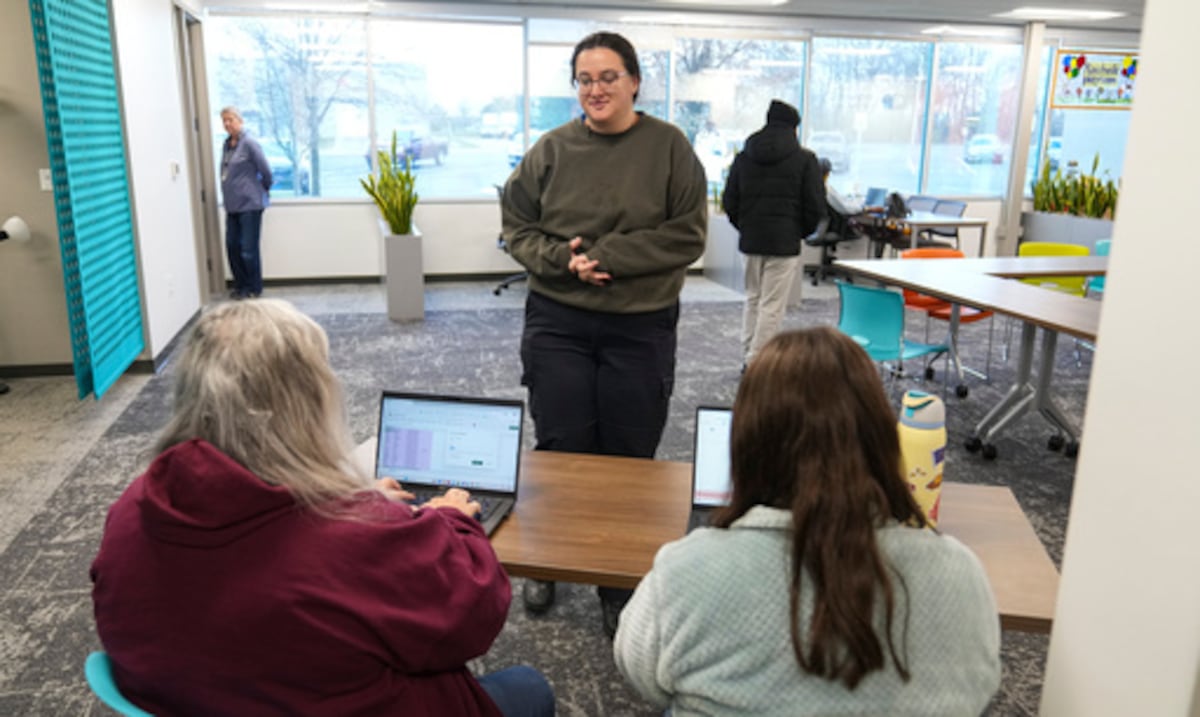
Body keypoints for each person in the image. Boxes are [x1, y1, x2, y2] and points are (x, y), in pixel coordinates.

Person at [90, 299, 555, 717]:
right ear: (305, 405)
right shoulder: (355, 542)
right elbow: (474, 620)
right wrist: (450, 517)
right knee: (529, 688)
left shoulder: (132, 510)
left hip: (194, 700)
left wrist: (351, 504)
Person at [614, 327, 1001, 716]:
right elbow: (981, 687)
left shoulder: (686, 572)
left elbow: (640, 671)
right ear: (882, 438)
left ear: (746, 444)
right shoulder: (961, 573)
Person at [501, 31, 707, 634]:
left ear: (635, 82)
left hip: (640, 324)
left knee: (628, 455)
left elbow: (688, 234)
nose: (596, 89)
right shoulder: (551, 150)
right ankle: (549, 558)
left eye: (608, 77)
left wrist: (607, 256)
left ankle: (617, 582)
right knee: (561, 447)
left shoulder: (669, 148)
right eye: (585, 79)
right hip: (558, 319)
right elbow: (516, 226)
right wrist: (564, 261)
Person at [721, 100, 825, 369]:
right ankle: (757, 363)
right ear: (794, 128)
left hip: (750, 240)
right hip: (784, 242)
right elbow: (815, 205)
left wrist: (745, 226)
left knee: (753, 298)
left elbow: (729, 201)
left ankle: (749, 354)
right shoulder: (805, 159)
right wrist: (798, 231)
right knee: (772, 304)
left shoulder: (744, 157)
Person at [219, 106, 272, 299]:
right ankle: (241, 286)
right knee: (232, 246)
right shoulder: (227, 145)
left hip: (250, 204)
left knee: (247, 249)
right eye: (224, 120)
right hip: (232, 205)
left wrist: (262, 189)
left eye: (231, 119)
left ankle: (253, 288)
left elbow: (266, 171)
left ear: (240, 121)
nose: (227, 124)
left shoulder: (249, 143)